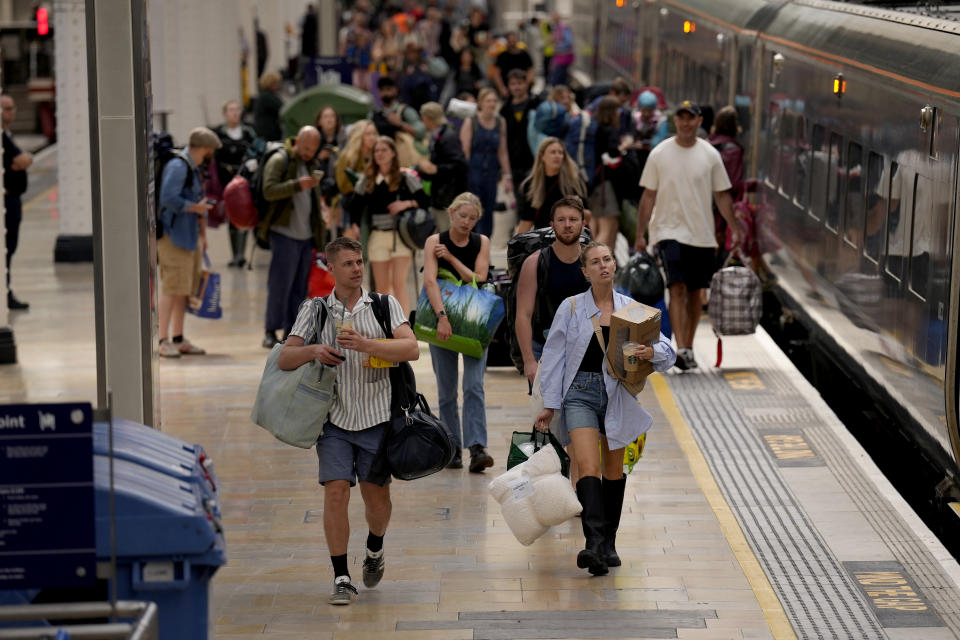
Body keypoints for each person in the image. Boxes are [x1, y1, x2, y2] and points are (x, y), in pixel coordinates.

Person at [278, 236, 419, 606]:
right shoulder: (316, 310)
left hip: (377, 417)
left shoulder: (384, 305)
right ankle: (341, 575)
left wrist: (368, 345)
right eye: (349, 263)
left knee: (377, 501)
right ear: (332, 268)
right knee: (336, 492)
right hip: (333, 420)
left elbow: (412, 348)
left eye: (360, 262)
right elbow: (285, 359)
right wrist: (314, 350)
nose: (357, 269)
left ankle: (375, 548)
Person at [536, 241, 675, 575]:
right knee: (587, 467)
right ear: (585, 271)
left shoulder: (632, 309)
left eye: (608, 260)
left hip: (618, 397)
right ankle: (594, 543)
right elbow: (553, 359)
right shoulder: (570, 308)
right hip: (579, 394)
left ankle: (609, 544)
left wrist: (649, 353)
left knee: (614, 472)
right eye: (595, 262)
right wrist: (549, 405)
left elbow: (668, 351)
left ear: (615, 266)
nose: (603, 266)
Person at [634, 101, 740, 370]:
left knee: (695, 292)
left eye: (690, 118)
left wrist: (735, 229)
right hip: (668, 231)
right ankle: (680, 348)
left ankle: (689, 347)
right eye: (681, 118)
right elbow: (648, 196)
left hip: (702, 234)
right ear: (675, 122)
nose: (685, 123)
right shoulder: (659, 154)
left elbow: (722, 195)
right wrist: (640, 234)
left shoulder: (710, 155)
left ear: (699, 121)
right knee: (677, 287)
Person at [422, 193, 494, 472]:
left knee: (474, 385)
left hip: (474, 318)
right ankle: (451, 446)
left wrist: (450, 258)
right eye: (462, 216)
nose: (466, 222)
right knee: (447, 390)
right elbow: (430, 281)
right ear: (451, 213)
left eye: (472, 218)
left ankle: (477, 447)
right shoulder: (433, 241)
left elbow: (479, 278)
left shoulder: (481, 242)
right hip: (442, 316)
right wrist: (442, 317)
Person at [258, 126, 326, 349]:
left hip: (306, 236)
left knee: (299, 288)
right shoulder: (280, 160)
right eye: (305, 148)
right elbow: (268, 190)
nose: (308, 153)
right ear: (297, 141)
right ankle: (270, 330)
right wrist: (297, 185)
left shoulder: (311, 164)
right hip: (284, 233)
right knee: (279, 285)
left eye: (312, 150)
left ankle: (291, 331)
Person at [345, 136, 429, 314]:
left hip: (401, 236)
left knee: (399, 285)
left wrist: (405, 204)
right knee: (382, 288)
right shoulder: (367, 179)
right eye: (376, 151)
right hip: (377, 236)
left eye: (384, 150)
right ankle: (384, 327)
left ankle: (403, 326)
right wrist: (354, 224)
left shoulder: (405, 176)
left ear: (393, 153)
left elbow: (424, 200)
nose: (379, 154)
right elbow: (355, 204)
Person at [157, 127, 221, 357]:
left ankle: (178, 337)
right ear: (204, 149)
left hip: (188, 236)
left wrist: (202, 234)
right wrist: (193, 208)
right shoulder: (178, 166)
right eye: (210, 151)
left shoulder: (192, 168)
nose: (210, 155)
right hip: (173, 237)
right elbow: (167, 197)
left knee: (182, 290)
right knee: (171, 288)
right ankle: (163, 340)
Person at [214, 99, 260, 268]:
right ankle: (235, 254)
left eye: (237, 110)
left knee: (244, 213)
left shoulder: (248, 132)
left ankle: (241, 254)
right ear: (225, 114)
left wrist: (252, 162)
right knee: (231, 216)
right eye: (231, 110)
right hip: (226, 181)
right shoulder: (219, 133)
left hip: (245, 180)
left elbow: (257, 149)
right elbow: (214, 157)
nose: (235, 113)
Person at [460, 88, 511, 238]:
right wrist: (464, 177)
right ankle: (472, 243)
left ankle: (484, 243)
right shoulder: (471, 122)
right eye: (489, 101)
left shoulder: (500, 122)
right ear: (481, 103)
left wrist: (508, 176)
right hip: (473, 171)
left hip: (492, 172)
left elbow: (502, 151)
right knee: (473, 209)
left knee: (488, 210)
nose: (492, 104)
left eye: (494, 101)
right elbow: (465, 151)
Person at [516, 137, 586, 234]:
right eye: (553, 152)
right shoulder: (531, 185)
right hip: (543, 237)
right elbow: (526, 221)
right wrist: (516, 246)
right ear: (542, 156)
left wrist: (578, 206)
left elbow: (588, 216)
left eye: (560, 153)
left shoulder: (573, 181)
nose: (557, 156)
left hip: (570, 236)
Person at [417, 102, 468, 233]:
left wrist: (437, 169)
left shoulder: (448, 136)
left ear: (428, 118)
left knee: (447, 232)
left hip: (449, 195)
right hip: (440, 193)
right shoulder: (436, 136)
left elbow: (460, 165)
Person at [2, 94, 32, 310]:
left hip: (13, 201)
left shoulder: (8, 136)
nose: (9, 112)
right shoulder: (2, 139)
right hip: (7, 202)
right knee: (6, 250)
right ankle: (5, 293)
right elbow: (21, 160)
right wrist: (22, 160)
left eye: (12, 108)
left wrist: (23, 160)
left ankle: (6, 290)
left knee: (10, 249)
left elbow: (24, 160)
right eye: (5, 108)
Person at [588, 97, 627, 249]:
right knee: (607, 227)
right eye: (617, 110)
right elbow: (613, 152)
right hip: (606, 186)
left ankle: (603, 267)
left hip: (594, 184)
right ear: (611, 112)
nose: (619, 113)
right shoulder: (610, 130)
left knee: (600, 227)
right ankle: (594, 266)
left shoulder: (596, 129)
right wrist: (624, 146)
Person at [501, 69, 542, 199]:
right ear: (508, 86)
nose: (517, 87)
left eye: (520, 83)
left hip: (535, 161)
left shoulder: (537, 104)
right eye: (513, 84)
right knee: (520, 200)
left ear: (526, 84)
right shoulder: (504, 110)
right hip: (515, 163)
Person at [335, 120, 378, 198]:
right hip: (351, 199)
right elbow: (342, 185)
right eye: (368, 134)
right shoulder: (347, 156)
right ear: (359, 136)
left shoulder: (378, 154)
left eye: (374, 134)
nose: (372, 137)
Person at [493, 32, 534, 99]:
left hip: (523, 88)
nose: (512, 43)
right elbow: (496, 74)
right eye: (510, 41)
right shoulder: (502, 56)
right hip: (507, 90)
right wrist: (502, 88)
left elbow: (530, 72)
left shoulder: (524, 54)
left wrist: (526, 85)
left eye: (513, 41)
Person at [253, 71, 284, 142]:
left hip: (265, 134)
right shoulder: (267, 97)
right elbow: (283, 108)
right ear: (271, 84)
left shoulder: (263, 96)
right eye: (276, 83)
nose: (278, 85)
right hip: (268, 134)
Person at [549, 13, 574, 87]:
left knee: (558, 79)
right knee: (560, 78)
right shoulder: (556, 28)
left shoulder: (563, 27)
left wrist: (557, 46)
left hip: (564, 57)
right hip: (559, 57)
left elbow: (569, 42)